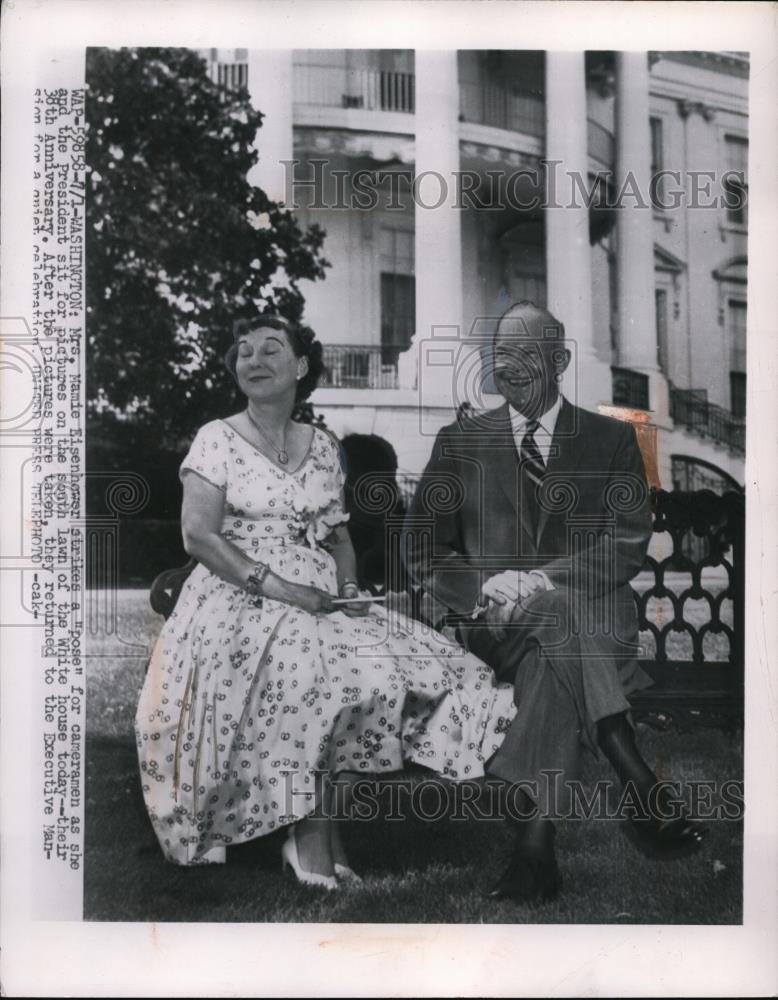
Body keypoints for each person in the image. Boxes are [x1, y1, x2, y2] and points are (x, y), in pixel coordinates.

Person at [135, 313, 517, 889]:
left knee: (387, 675)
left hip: (317, 597)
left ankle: (321, 831)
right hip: (235, 597)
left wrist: (347, 592)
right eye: (243, 352)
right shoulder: (216, 438)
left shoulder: (323, 448)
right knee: (313, 677)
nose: (254, 361)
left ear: (302, 366)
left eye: (270, 349)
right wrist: (288, 590)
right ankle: (309, 840)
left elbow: (337, 538)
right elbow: (199, 537)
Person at [404, 300, 704, 904]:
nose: (507, 368)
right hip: (492, 627)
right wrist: (485, 587)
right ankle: (634, 773)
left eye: (525, 355)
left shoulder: (614, 440)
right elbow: (420, 551)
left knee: (556, 638)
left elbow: (625, 543)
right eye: (499, 356)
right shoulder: (459, 441)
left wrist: (538, 580)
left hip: (579, 630)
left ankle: (534, 852)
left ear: (561, 360)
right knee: (557, 621)